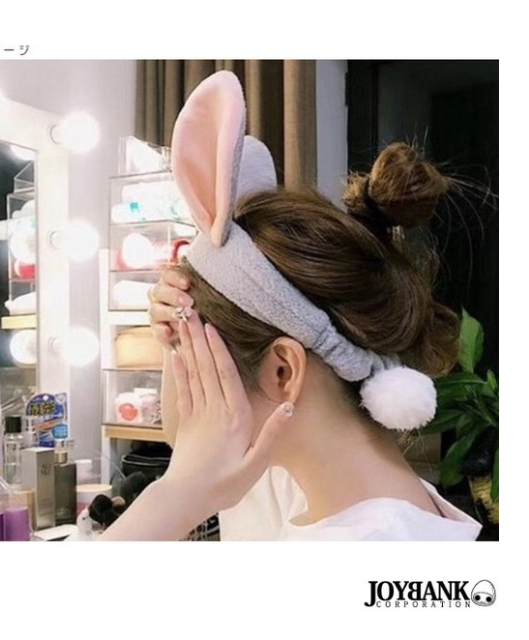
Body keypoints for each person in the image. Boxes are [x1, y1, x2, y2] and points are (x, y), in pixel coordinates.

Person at [101, 70, 482, 541]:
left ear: (283, 371)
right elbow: (190, 443)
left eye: (198, 366)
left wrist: (174, 496)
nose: (195, 392)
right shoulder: (341, 484)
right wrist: (173, 340)